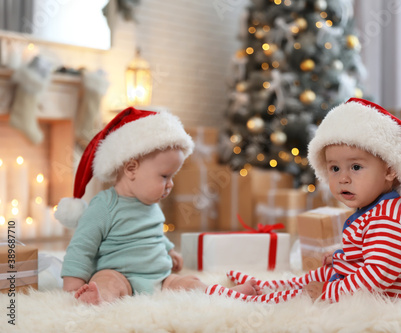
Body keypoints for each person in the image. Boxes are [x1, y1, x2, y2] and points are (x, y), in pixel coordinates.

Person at [228, 98, 401, 302]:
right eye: (335, 168)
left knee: (305, 294)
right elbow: (366, 251)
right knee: (314, 277)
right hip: (360, 284)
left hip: (383, 300)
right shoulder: (374, 210)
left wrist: (327, 294)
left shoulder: (390, 222)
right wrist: (342, 256)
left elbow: (374, 278)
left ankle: (247, 298)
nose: (343, 178)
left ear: (390, 171)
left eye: (356, 167)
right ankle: (263, 286)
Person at [55, 107, 273, 305]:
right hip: (121, 275)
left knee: (188, 283)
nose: (170, 184)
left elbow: (153, 233)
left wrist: (169, 250)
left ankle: (223, 295)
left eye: (172, 176)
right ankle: (98, 298)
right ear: (131, 169)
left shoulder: (150, 204)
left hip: (160, 278)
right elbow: (82, 246)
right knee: (106, 281)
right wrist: (72, 282)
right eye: (165, 176)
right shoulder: (104, 206)